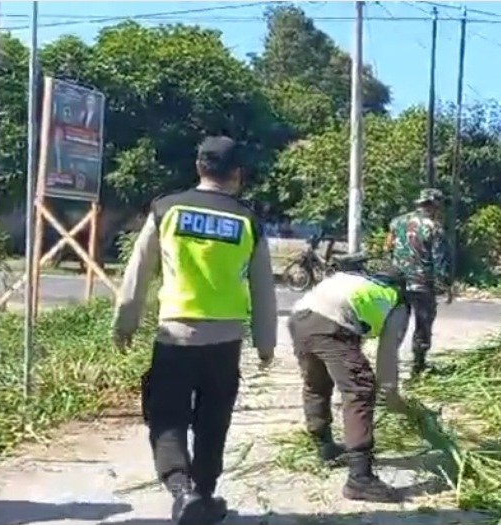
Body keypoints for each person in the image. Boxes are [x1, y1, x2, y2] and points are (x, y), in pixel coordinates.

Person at [112, 136, 278, 525]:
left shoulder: (167, 209)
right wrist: (266, 342)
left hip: (175, 336)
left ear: (199, 168)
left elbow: (139, 271)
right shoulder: (248, 221)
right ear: (237, 174)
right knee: (213, 420)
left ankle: (181, 491)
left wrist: (125, 322)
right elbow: (263, 288)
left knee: (167, 415)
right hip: (226, 341)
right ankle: (202, 494)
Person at [287, 266, 411, 503]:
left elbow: (354, 338)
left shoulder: (358, 281)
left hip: (299, 317)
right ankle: (360, 478)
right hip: (329, 323)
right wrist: (392, 395)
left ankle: (325, 447)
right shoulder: (397, 301)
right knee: (360, 388)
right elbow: (387, 357)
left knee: (317, 383)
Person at [386, 188, 448, 376]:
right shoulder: (434, 227)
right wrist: (444, 284)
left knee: (397, 323)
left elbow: (388, 248)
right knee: (423, 324)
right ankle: (418, 366)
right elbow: (439, 260)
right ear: (435, 206)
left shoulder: (396, 223)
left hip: (398, 282)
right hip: (422, 285)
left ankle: (389, 364)